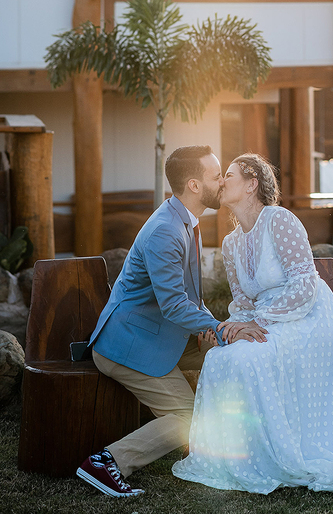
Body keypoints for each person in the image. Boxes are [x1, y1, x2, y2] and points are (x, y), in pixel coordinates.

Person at [172, 153, 333, 495]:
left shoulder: (279, 220)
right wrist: (231, 328)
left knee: (252, 357)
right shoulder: (231, 244)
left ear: (252, 184)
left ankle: (283, 454)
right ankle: (244, 457)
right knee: (220, 357)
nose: (221, 181)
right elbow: (243, 303)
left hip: (309, 318)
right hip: (266, 320)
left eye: (229, 175)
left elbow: (305, 285)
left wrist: (259, 321)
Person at [76, 145, 269, 498]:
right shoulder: (166, 230)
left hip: (164, 335)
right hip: (129, 344)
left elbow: (190, 297)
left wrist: (217, 332)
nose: (222, 182)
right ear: (194, 185)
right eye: (216, 176)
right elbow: (174, 305)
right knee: (187, 418)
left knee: (235, 352)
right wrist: (220, 328)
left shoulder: (185, 219)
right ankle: (108, 462)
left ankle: (240, 444)